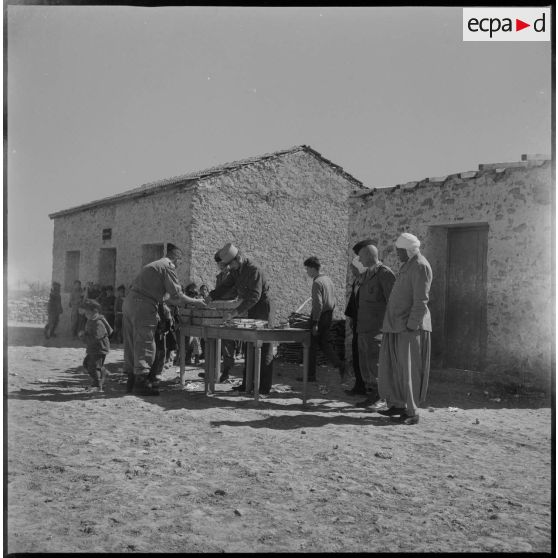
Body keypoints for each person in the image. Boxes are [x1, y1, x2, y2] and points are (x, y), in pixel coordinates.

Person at [123, 243, 205, 396]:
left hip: (130, 302)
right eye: (180, 262)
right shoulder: (167, 266)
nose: (179, 266)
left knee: (131, 341)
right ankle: (141, 383)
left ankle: (131, 380)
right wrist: (196, 302)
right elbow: (177, 296)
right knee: (145, 341)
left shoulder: (155, 265)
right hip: (143, 305)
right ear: (176, 258)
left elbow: (168, 298)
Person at [376, 233, 433, 425]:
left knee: (410, 372)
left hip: (409, 328)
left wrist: (411, 325)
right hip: (396, 326)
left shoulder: (420, 266)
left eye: (399, 251)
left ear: (408, 250)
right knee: (396, 369)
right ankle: (398, 404)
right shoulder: (408, 265)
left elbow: (421, 300)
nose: (397, 254)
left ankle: (412, 412)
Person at [207, 243, 274, 394]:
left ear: (239, 258)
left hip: (263, 309)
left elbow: (254, 297)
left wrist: (234, 312)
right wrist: (210, 296)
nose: (230, 267)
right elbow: (226, 286)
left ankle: (263, 389)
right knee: (249, 347)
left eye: (231, 264)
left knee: (263, 349)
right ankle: (247, 385)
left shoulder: (253, 270)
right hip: (251, 309)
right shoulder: (237, 270)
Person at [353, 241, 396, 411]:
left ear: (370, 255)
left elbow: (392, 302)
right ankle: (372, 395)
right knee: (366, 365)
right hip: (363, 328)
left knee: (376, 364)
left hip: (377, 329)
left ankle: (382, 398)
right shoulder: (366, 274)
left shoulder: (384, 274)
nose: (359, 259)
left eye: (361, 256)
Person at [303, 256, 345, 383]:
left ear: (312, 268)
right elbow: (333, 300)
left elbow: (318, 304)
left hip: (320, 317)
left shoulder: (317, 282)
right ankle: (339, 364)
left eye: (307, 269)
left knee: (311, 345)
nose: (307, 272)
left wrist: (315, 322)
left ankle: (310, 376)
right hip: (328, 315)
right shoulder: (328, 279)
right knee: (324, 343)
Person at [344, 252, 367, 396]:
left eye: (353, 267)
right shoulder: (357, 282)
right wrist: (351, 318)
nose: (351, 270)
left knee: (364, 356)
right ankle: (359, 385)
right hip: (357, 323)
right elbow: (353, 301)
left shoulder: (366, 282)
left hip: (365, 324)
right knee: (356, 354)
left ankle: (367, 386)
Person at [78, 298, 113, 391]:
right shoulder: (91, 320)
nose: (86, 315)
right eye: (85, 314)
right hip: (93, 348)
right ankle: (102, 373)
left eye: (88, 313)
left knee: (93, 366)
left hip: (99, 348)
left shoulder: (98, 322)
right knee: (87, 364)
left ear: (94, 311)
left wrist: (83, 337)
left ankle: (97, 385)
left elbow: (96, 338)